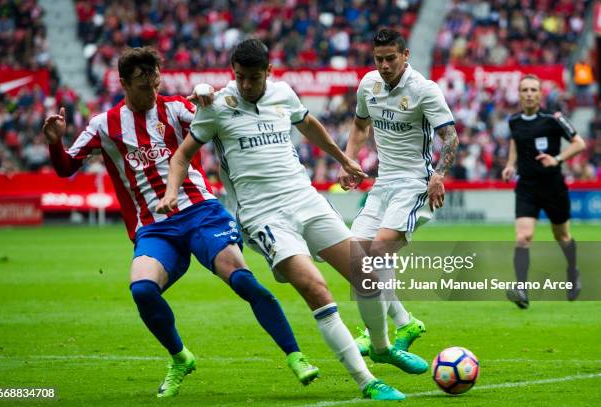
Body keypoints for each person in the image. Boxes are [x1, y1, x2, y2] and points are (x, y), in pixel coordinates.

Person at [159, 39, 429, 402]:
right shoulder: (217, 106)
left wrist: (342, 159)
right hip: (264, 215)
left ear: (269, 73)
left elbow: (309, 125)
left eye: (254, 78)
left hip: (305, 199)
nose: (246, 86)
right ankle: (368, 382)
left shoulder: (283, 93)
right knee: (317, 289)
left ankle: (381, 348)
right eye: (239, 78)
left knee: (367, 272)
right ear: (232, 74)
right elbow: (181, 157)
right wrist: (171, 192)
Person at [42, 46, 318, 398]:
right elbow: (66, 168)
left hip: (202, 212)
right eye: (143, 86)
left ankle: (296, 356)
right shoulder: (104, 125)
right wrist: (55, 143)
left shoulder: (176, 109)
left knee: (243, 280)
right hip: (155, 227)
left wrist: (207, 95)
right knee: (142, 290)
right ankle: (180, 357)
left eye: (155, 83)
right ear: (124, 84)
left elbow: (221, 116)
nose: (151, 92)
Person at [338, 28, 459, 356]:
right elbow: (361, 126)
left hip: (415, 184)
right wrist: (349, 162)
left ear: (405, 55)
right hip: (383, 184)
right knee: (357, 258)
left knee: (378, 251)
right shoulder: (368, 84)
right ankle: (404, 322)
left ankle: (372, 332)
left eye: (391, 58)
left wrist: (439, 174)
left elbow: (450, 137)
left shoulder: (424, 90)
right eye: (379, 59)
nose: (385, 65)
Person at [502, 74, 586, 309]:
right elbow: (515, 142)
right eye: (525, 90)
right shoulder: (514, 121)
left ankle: (572, 272)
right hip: (527, 187)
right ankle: (521, 289)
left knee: (562, 237)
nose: (529, 93)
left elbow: (580, 143)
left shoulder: (554, 119)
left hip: (553, 187)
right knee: (523, 237)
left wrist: (557, 159)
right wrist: (510, 164)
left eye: (533, 90)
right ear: (519, 94)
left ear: (540, 94)